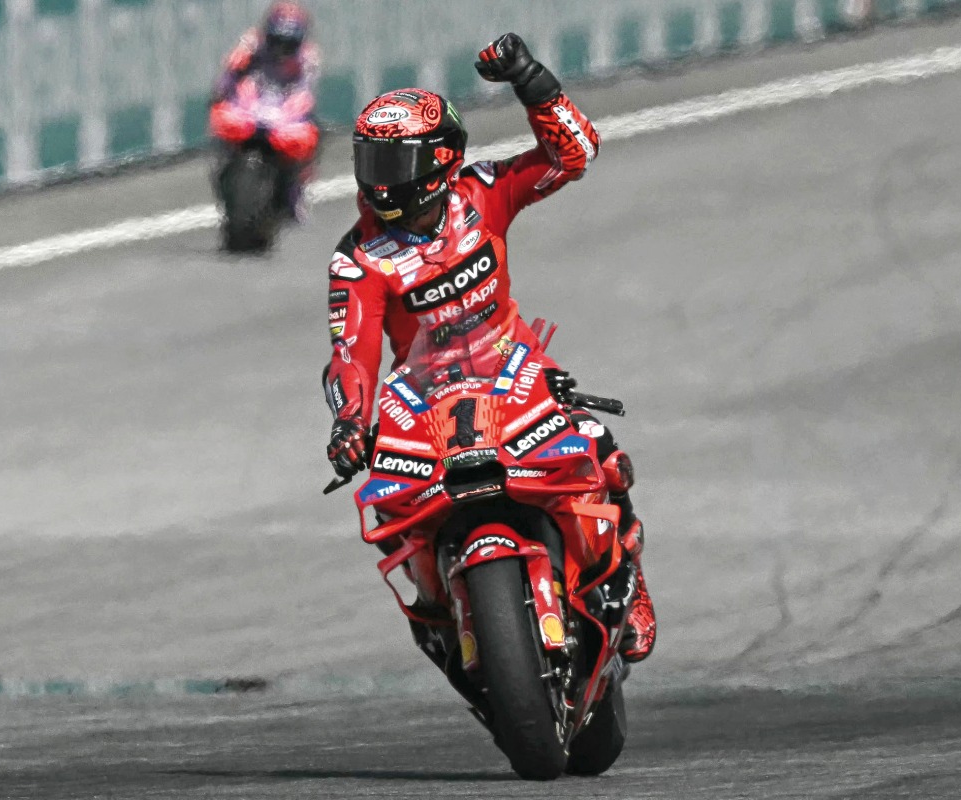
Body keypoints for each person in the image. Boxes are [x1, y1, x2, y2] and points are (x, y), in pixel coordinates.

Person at [321, 33, 655, 663]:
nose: (377, 182)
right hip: (422, 396)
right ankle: (437, 612)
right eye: (370, 163)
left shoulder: (481, 193)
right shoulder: (357, 257)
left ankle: (628, 580)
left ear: (439, 161)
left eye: (392, 166)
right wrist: (348, 422)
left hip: (516, 366)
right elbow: (351, 351)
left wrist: (531, 81)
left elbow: (574, 154)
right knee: (393, 504)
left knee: (598, 446)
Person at [209, 2, 320, 219]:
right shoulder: (250, 43)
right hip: (251, 103)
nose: (281, 50)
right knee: (222, 128)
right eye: (276, 41)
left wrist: (298, 109)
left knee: (313, 134)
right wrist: (222, 91)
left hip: (283, 107)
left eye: (288, 44)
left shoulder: (308, 57)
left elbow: (305, 91)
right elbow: (230, 72)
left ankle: (296, 190)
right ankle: (224, 168)